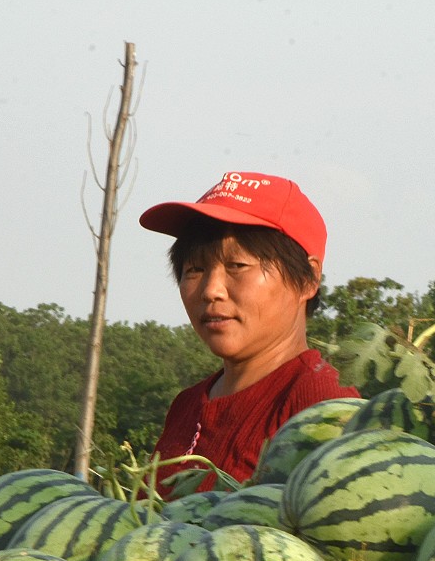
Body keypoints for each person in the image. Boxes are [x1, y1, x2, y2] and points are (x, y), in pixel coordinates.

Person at [139, 171, 358, 494]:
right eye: (194, 269)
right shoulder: (187, 405)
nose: (211, 290)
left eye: (237, 266)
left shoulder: (325, 406)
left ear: (308, 279)